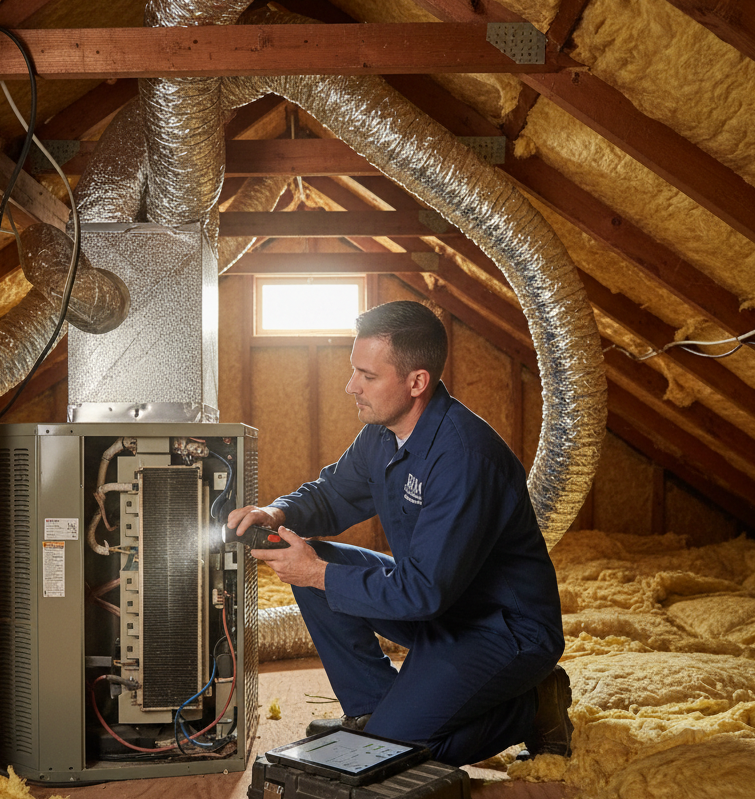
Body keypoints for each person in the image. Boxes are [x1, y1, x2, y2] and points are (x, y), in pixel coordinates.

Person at [227, 300, 571, 768]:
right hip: (443, 601)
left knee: (395, 756)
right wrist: (275, 512)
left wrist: (318, 574)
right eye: (354, 371)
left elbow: (424, 592)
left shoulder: (463, 459)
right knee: (317, 564)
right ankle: (374, 710)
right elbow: (333, 495)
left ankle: (532, 708)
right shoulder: (383, 434)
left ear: (416, 382)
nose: (352, 387)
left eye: (367, 376)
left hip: (502, 626)